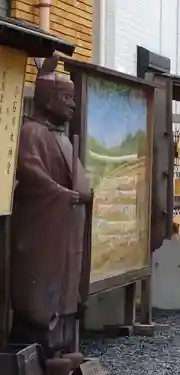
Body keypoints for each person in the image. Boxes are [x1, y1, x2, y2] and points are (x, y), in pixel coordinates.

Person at [9, 56, 92, 375]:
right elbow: (30, 172)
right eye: (66, 98)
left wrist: (85, 194)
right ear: (46, 98)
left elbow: (79, 178)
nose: (71, 105)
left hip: (66, 225)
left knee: (66, 285)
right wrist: (62, 195)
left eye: (73, 98)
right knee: (41, 285)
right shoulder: (32, 132)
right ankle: (38, 345)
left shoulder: (60, 135)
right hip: (43, 224)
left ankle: (58, 345)